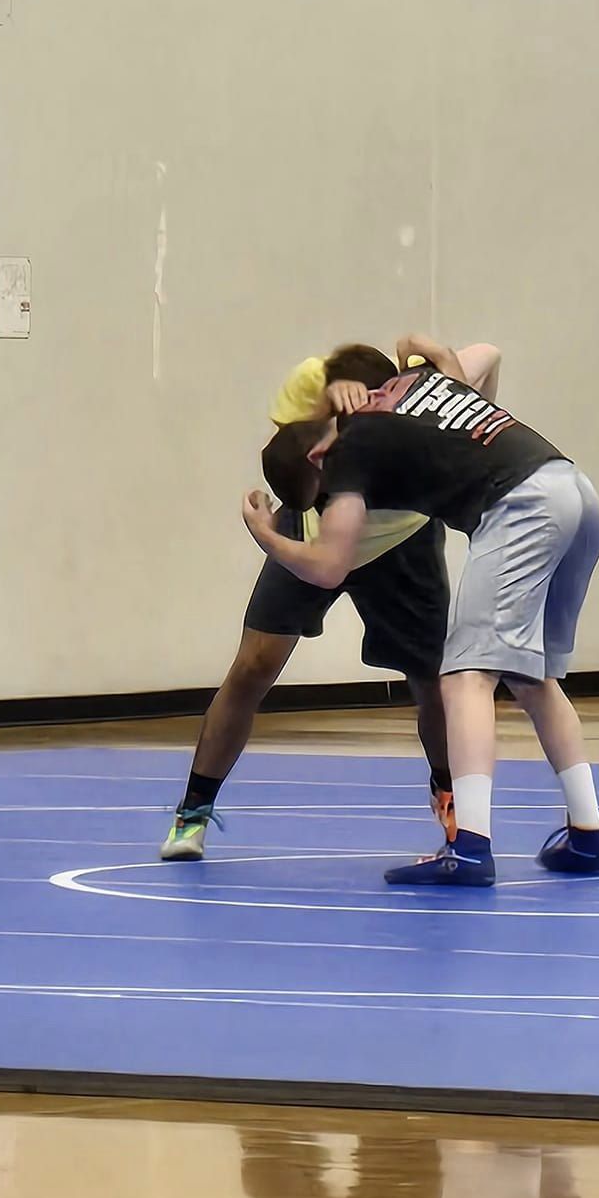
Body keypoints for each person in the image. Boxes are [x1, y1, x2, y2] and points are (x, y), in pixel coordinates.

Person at [241, 337, 599, 888]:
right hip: (574, 489)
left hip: (522, 505)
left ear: (317, 459)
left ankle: (470, 848)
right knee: (534, 679)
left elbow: (328, 567)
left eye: (323, 498)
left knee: (463, 677)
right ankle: (587, 835)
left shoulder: (346, 451)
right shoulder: (414, 384)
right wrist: (422, 346)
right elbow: (487, 353)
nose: (334, 503)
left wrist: (265, 535)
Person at [160, 340, 498, 862]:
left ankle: (453, 805)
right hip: (315, 532)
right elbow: (289, 459)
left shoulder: (417, 397)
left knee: (433, 683)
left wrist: (432, 357)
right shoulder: (311, 383)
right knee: (253, 665)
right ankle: (194, 813)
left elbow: (486, 355)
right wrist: (324, 410)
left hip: (400, 537)